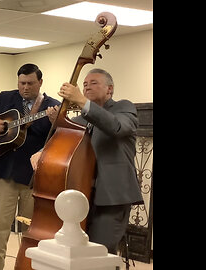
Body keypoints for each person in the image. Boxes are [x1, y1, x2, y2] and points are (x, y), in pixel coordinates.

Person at [30, 68, 144, 254]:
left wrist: (82, 101)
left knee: (101, 252)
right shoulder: (80, 119)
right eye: (84, 84)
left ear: (109, 89)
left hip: (111, 197)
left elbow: (116, 127)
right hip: (80, 194)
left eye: (94, 83)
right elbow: (67, 142)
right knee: (78, 253)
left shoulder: (124, 108)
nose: (87, 87)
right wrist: (42, 152)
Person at [0, 63, 60, 270]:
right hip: (4, 173)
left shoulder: (53, 105)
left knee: (32, 232)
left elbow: (60, 140)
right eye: (21, 83)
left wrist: (58, 122)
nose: (25, 87)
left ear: (40, 82)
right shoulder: (6, 98)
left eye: (30, 83)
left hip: (34, 178)